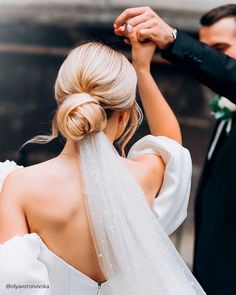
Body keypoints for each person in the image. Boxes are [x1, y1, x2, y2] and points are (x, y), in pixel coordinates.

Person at [0, 28, 205, 294]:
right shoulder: (146, 177)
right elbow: (170, 142)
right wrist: (142, 69)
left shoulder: (21, 186)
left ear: (64, 103)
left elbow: (13, 283)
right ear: (125, 115)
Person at [114, 4, 236, 295]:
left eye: (220, 49)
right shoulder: (225, 113)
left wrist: (173, 39)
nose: (208, 62)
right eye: (205, 50)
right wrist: (141, 68)